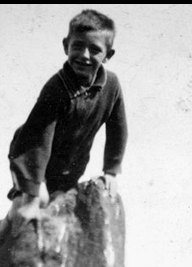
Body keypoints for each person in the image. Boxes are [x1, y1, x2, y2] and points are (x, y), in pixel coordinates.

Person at [7, 9, 128, 222]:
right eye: (78, 45)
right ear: (66, 46)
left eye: (95, 49)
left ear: (108, 55)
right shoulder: (57, 88)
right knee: (33, 207)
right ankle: (0, 237)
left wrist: (111, 171)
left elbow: (118, 129)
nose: (84, 55)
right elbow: (38, 141)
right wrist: (34, 191)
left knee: (60, 210)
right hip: (31, 157)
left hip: (69, 168)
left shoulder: (112, 86)